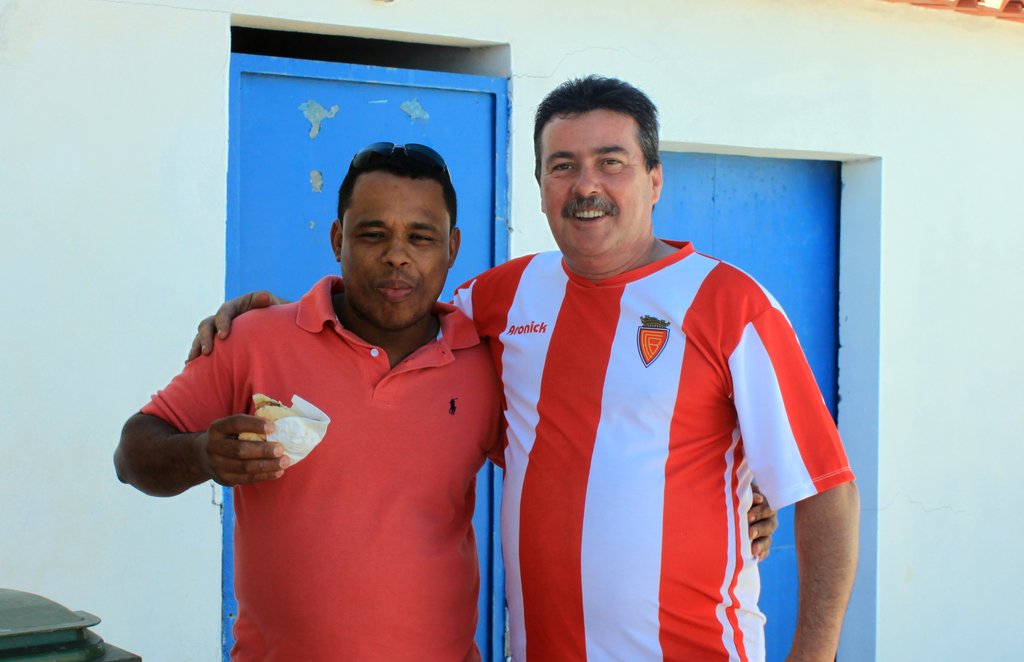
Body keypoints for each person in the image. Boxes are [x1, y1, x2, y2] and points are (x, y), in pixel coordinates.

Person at [193, 79, 820, 660]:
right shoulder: (501, 298)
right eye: (562, 165)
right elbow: (396, 318)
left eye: (611, 162)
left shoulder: (731, 304)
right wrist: (286, 318)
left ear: (654, 180)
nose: (586, 185)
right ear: (541, 185)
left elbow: (825, 490)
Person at [114, 143, 505, 660]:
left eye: (421, 236)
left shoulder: (490, 364)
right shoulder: (255, 342)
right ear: (338, 238)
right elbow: (131, 456)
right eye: (373, 234)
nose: (397, 255)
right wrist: (203, 454)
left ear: (452, 247)